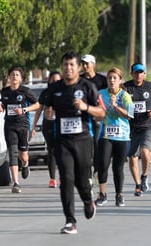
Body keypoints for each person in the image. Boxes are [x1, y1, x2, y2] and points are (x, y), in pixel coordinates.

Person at [44, 51, 105, 234]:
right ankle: (70, 220)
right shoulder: (54, 88)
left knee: (81, 179)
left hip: (83, 139)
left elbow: (102, 112)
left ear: (78, 67)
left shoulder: (87, 87)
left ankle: (88, 200)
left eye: (72, 65)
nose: (68, 68)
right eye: (65, 65)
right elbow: (48, 109)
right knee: (67, 179)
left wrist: (85, 107)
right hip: (62, 140)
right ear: (62, 67)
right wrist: (48, 114)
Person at [94, 67, 134, 207]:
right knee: (102, 165)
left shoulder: (125, 96)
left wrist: (116, 106)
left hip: (122, 136)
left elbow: (129, 116)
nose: (111, 80)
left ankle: (119, 194)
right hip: (105, 135)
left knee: (118, 167)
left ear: (120, 80)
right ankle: (102, 194)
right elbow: (96, 111)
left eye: (114, 78)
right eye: (109, 78)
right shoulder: (100, 94)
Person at [0, 66, 40, 193]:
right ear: (9, 77)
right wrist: (0, 108)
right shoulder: (4, 91)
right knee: (13, 153)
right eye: (12, 74)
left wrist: (24, 110)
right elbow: (2, 104)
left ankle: (25, 165)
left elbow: (37, 105)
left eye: (17, 75)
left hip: (23, 126)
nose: (14, 76)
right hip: (9, 125)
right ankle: (16, 183)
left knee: (23, 155)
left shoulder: (25, 91)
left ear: (21, 78)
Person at [124, 63, 151, 197]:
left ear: (144, 74)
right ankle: (138, 185)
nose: (138, 74)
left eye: (141, 72)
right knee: (132, 157)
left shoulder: (150, 86)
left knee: (145, 152)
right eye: (136, 72)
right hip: (130, 127)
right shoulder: (126, 87)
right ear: (131, 74)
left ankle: (144, 176)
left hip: (146, 125)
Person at [31, 71, 62, 188]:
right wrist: (34, 125)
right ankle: (52, 178)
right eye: (52, 80)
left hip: (61, 124)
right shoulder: (45, 93)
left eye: (57, 80)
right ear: (48, 81)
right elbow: (39, 109)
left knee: (62, 150)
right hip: (48, 124)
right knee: (52, 150)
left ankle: (62, 176)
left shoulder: (63, 92)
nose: (55, 82)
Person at [80, 54, 108, 181]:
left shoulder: (102, 80)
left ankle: (97, 171)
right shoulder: (79, 80)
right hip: (82, 118)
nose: (85, 66)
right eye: (83, 63)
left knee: (97, 145)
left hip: (98, 117)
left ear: (93, 64)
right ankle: (86, 173)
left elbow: (107, 98)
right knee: (85, 146)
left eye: (87, 63)